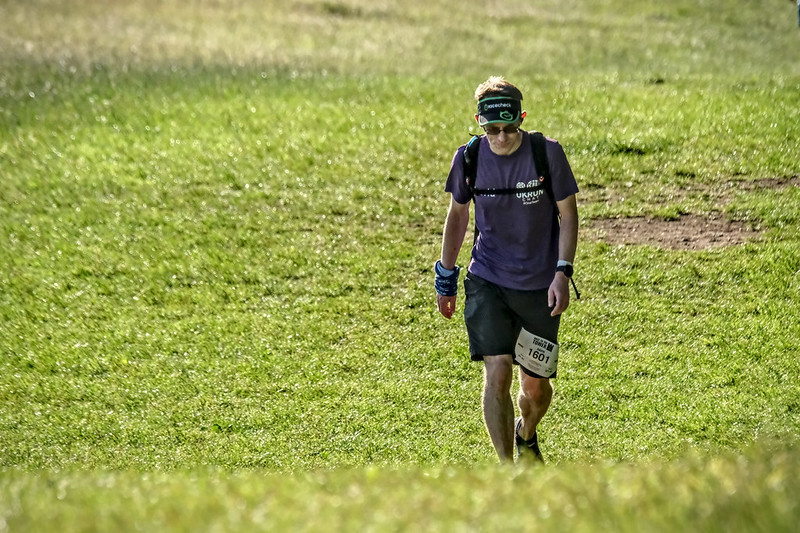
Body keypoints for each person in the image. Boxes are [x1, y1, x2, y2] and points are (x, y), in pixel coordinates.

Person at [434, 76, 579, 464]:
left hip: (538, 287)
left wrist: (562, 273)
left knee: (534, 389)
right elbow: (459, 214)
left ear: (522, 118)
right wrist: (445, 276)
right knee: (496, 373)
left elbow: (568, 215)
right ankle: (508, 471)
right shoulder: (469, 157)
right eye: (492, 129)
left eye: (509, 128)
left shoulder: (546, 153)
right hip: (488, 280)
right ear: (480, 123)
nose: (501, 138)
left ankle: (526, 432)